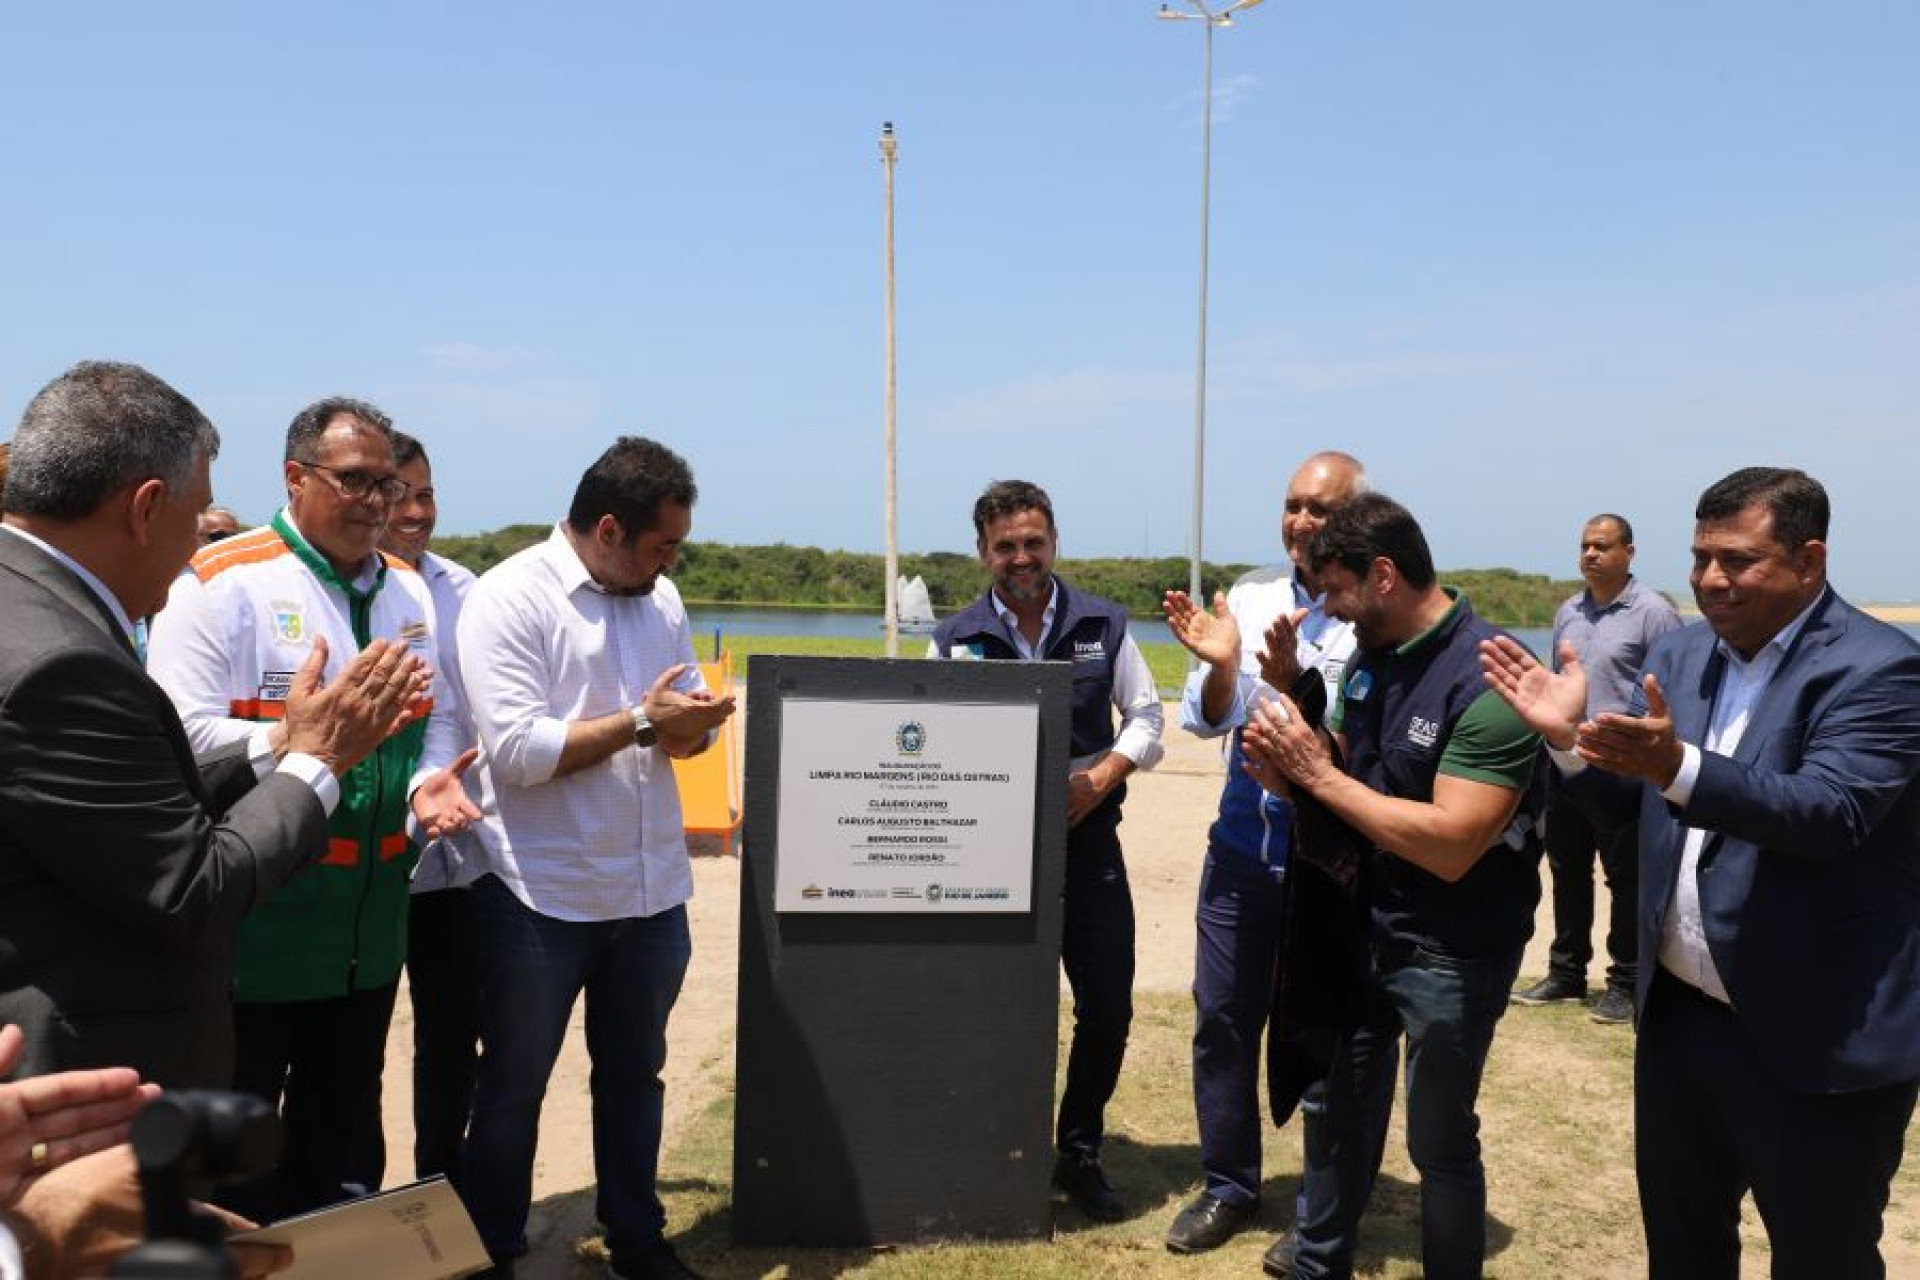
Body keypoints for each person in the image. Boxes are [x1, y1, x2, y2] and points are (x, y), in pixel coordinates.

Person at [1480, 467, 1919, 1279]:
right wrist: (1569, 741)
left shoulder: (1880, 670)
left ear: (1809, 560)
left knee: (1824, 1258)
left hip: (1816, 1035)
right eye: (1701, 557)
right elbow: (1635, 810)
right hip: (1684, 1024)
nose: (1712, 579)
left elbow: (1829, 814)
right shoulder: (1682, 655)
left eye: (1739, 560)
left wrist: (1675, 764)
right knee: (1682, 1250)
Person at [0, 361, 427, 1089]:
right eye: (194, 519)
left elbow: (134, 798)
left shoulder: (29, 610)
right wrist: (316, 761)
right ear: (145, 509)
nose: (198, 545)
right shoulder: (62, 663)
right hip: (80, 1074)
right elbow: (189, 888)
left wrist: (281, 743)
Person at [146, 397, 476, 1219]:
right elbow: (174, 740)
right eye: (355, 481)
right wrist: (292, 736)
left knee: (344, 1151)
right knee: (239, 1160)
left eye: (389, 485)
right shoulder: (221, 583)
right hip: (257, 925)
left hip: (368, 934)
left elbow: (430, 720)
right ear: (295, 477)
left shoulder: (410, 593)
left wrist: (423, 782)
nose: (378, 503)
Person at [1240, 493, 1544, 1280]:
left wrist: (1315, 776)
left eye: (1336, 593)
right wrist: (1296, 755)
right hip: (1363, 928)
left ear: (1382, 576)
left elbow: (1451, 843)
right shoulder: (1374, 659)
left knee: (1438, 1140)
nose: (1331, 614)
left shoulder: (1493, 681)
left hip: (1451, 949)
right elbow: (1352, 772)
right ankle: (1318, 1261)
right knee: (1335, 1107)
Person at [456, 437, 735, 1280]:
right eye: (662, 545)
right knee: (511, 1090)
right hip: (539, 896)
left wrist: (696, 727)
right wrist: (646, 721)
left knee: (635, 1078)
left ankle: (637, 1240)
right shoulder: (509, 598)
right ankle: (493, 1250)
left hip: (650, 891)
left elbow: (672, 735)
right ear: (607, 529)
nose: (672, 560)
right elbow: (515, 752)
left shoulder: (662, 600)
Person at [928, 480, 1165, 1223]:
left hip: (1089, 846)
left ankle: (1079, 1149)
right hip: (988, 857)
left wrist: (1103, 775)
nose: (1021, 558)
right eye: (1006, 547)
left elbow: (1149, 719)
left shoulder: (1104, 623)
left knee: (1108, 1008)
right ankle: (998, 1149)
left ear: (1054, 542)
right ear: (983, 552)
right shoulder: (954, 637)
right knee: (996, 1007)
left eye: (1034, 542)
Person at [1159, 451, 1365, 1254]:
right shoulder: (1248, 597)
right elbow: (1206, 720)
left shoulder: (1370, 606)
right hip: (1243, 848)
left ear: (1355, 516)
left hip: (1331, 860)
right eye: (1292, 506)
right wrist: (1219, 669)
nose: (1302, 522)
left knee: (1324, 1032)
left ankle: (1320, 1209)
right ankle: (1230, 1186)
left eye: (1320, 508)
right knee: (1222, 1018)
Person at [1510, 515, 1680, 1025]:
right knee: (1566, 867)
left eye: (1602, 546)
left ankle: (1626, 981)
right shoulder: (1569, 610)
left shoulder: (1654, 613)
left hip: (1622, 765)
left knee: (1625, 876)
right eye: (1584, 545)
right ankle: (1566, 973)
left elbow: (1669, 683)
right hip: (1565, 758)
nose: (1590, 554)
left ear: (1629, 552)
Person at [378, 430, 484, 1182]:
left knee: (452, 1040)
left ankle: (439, 1195)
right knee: (347, 1052)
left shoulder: (466, 590)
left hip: (457, 861)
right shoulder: (319, 589)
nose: (417, 511)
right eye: (399, 494)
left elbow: (462, 708)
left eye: (427, 493)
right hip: (369, 863)